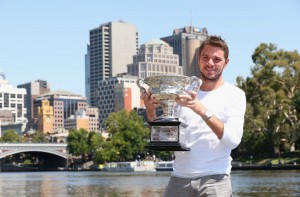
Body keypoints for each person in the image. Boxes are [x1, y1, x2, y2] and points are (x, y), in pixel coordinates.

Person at [140, 35, 246, 196]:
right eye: (206, 57)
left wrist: (202, 110)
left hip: (215, 180)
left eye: (217, 59)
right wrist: (149, 110)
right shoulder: (180, 92)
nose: (210, 63)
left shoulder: (235, 95)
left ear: (226, 63)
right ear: (199, 59)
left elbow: (233, 140)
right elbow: (163, 137)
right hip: (179, 178)